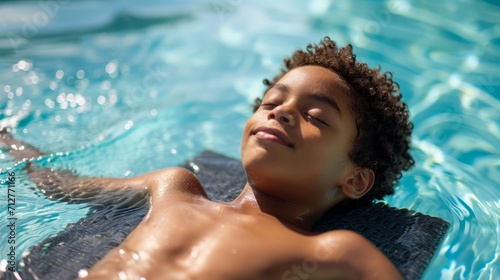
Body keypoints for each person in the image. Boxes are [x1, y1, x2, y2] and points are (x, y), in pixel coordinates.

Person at [1, 37, 414, 280]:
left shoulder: (335, 252)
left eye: (315, 117)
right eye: (272, 101)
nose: (281, 112)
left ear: (356, 180)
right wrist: (11, 143)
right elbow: (63, 186)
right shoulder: (173, 188)